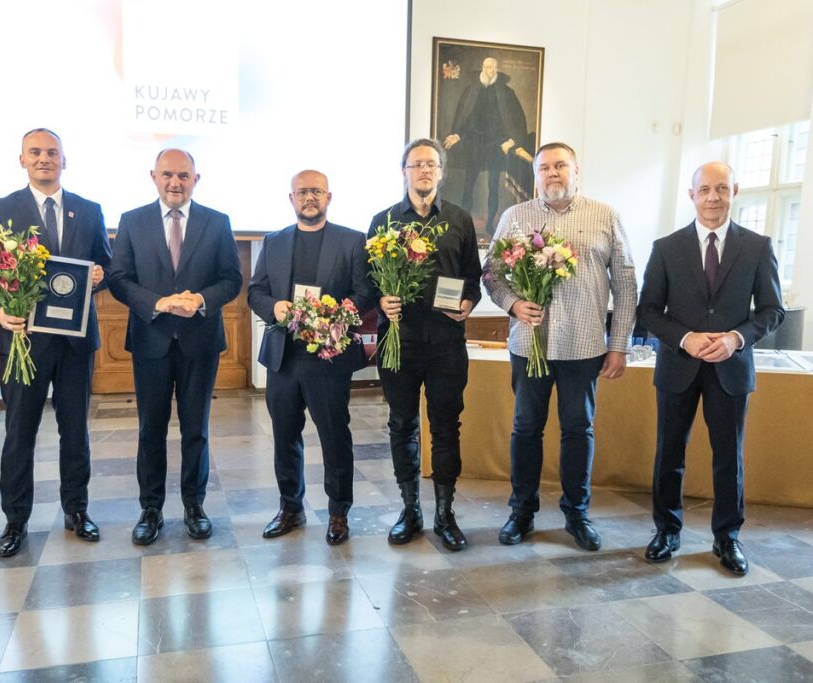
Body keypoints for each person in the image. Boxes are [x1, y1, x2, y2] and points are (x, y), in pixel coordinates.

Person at [483, 142, 637, 552]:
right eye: (544, 167)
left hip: (584, 346)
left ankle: (577, 513)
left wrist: (618, 344)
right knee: (526, 429)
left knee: (578, 430)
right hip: (529, 344)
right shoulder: (516, 217)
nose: (552, 173)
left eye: (560, 166)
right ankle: (521, 512)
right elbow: (492, 275)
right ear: (535, 175)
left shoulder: (604, 216)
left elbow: (625, 284)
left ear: (576, 170)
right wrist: (514, 304)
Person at [637, 162, 783, 576]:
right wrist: (685, 338)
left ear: (734, 191)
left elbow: (773, 311)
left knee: (728, 458)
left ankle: (728, 537)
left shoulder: (757, 246)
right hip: (678, 366)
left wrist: (735, 338)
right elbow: (648, 310)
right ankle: (666, 530)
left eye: (721, 189)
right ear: (692, 195)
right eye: (705, 190)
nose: (713, 197)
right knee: (670, 453)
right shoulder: (666, 248)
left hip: (731, 368)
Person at [0, 128, 112, 557]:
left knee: (75, 432)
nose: (44, 158)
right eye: (35, 152)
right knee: (20, 433)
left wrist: (99, 277)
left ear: (64, 160)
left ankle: (77, 510)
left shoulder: (89, 211)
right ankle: (15, 520)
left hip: (76, 344)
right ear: (21, 159)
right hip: (24, 342)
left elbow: (106, 267)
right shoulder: (1, 210)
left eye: (52, 152)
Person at [109, 149, 242, 545]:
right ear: (153, 176)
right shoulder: (131, 221)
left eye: (183, 175)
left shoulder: (217, 222)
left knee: (195, 428)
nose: (175, 182)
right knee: (150, 429)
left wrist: (199, 301)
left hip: (199, 342)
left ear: (196, 179)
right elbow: (118, 278)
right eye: (167, 174)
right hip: (151, 340)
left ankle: (194, 506)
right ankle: (150, 510)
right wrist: (157, 303)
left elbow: (231, 279)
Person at [248, 170, 375, 545]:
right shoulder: (273, 242)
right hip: (283, 357)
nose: (309, 197)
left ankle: (338, 512)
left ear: (328, 197)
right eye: (302, 191)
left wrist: (335, 314)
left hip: (329, 358)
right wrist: (276, 307)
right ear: (291, 198)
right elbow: (255, 292)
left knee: (335, 436)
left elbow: (365, 291)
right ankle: (291, 507)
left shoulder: (352, 241)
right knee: (285, 435)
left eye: (316, 191)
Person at [368, 138, 482, 552]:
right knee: (402, 424)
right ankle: (410, 509)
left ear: (441, 171)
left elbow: (474, 278)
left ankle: (445, 514)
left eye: (431, 164)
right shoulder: (382, 221)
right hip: (399, 341)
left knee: (446, 427)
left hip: (447, 343)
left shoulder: (459, 219)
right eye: (417, 164)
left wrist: (469, 301)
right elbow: (366, 281)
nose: (424, 171)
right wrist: (381, 300)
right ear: (404, 172)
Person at [443, 57, 532, 232]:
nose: (488, 71)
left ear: (496, 70)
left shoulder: (507, 93)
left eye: (492, 68)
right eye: (485, 67)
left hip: (496, 145)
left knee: (493, 186)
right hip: (474, 144)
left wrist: (512, 140)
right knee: (469, 184)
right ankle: (462, 226)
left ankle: (491, 225)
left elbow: (517, 120)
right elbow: (465, 117)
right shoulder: (471, 91)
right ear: (482, 68)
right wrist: (457, 134)